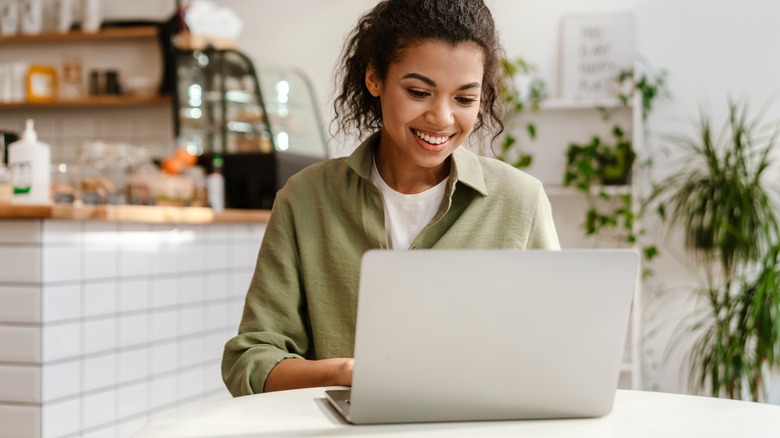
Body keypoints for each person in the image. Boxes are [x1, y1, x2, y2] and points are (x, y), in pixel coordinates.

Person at [221, 0, 560, 396]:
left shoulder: (521, 201)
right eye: (419, 91)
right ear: (374, 78)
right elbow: (250, 360)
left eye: (465, 99)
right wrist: (347, 372)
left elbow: (554, 354)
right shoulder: (306, 199)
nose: (442, 118)